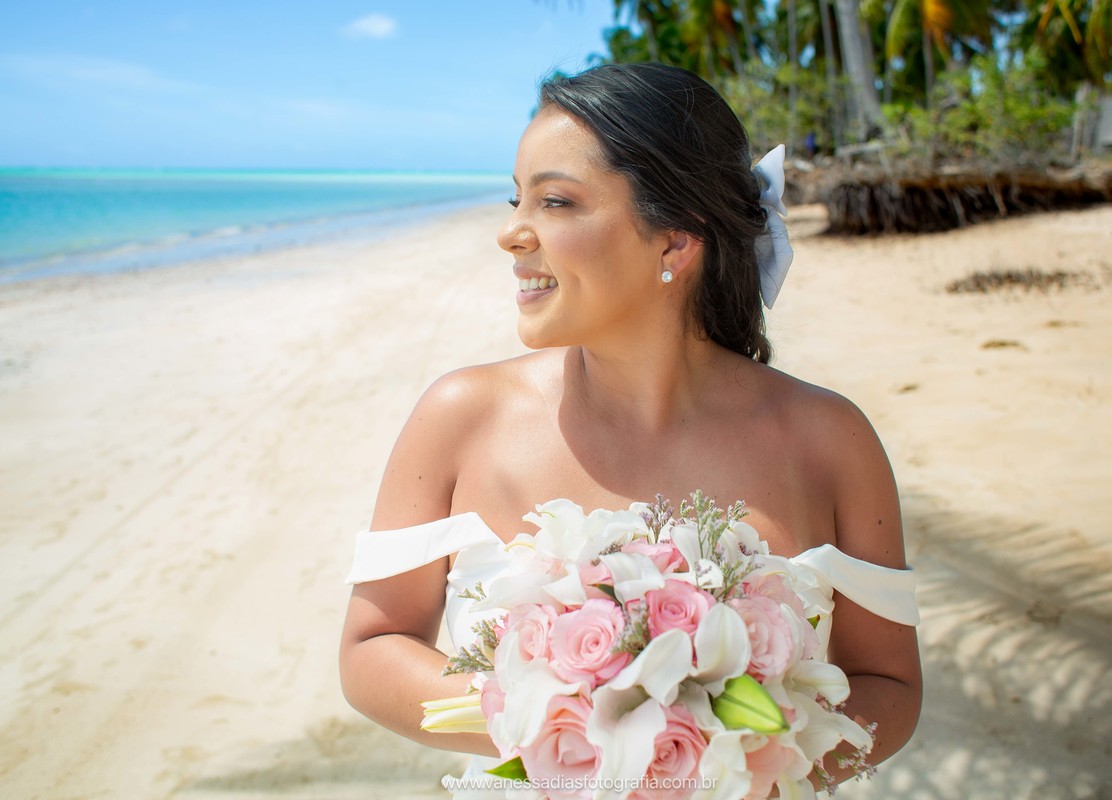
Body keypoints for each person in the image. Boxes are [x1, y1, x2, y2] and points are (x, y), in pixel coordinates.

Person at [340, 63, 921, 794]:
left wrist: (742, 764)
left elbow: (889, 683)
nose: (510, 233)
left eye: (555, 201)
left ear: (675, 242)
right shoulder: (459, 417)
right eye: (518, 199)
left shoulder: (832, 441)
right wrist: (570, 728)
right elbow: (372, 646)